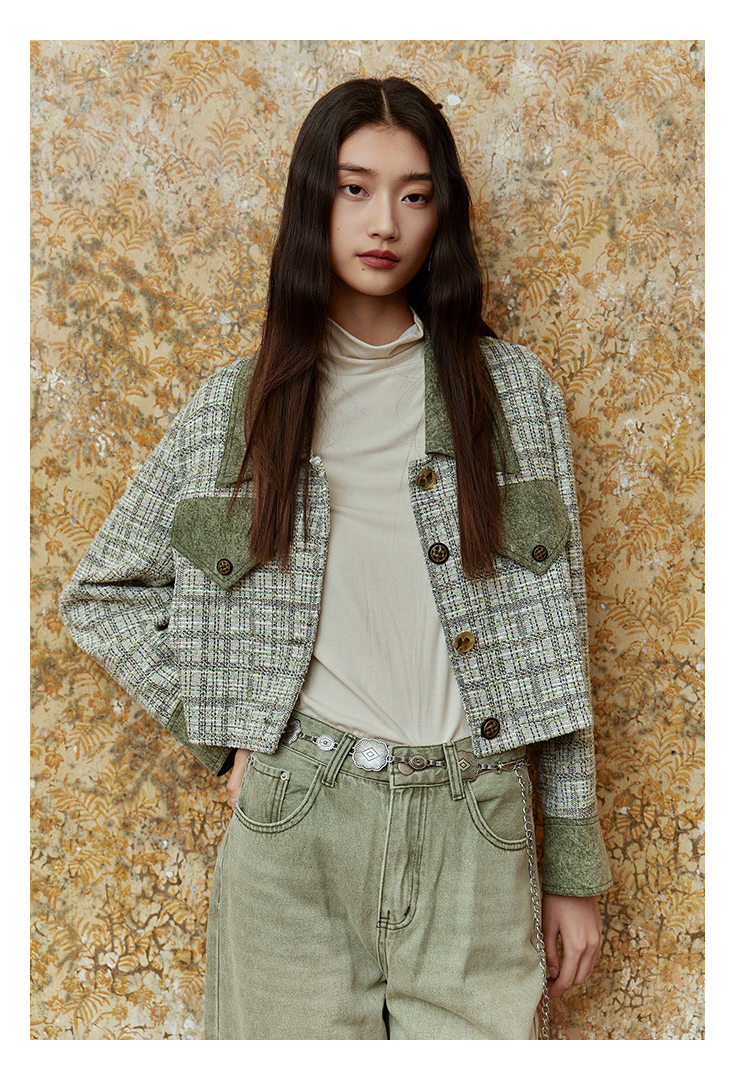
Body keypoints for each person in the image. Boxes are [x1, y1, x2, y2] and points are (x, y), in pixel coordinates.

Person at [60, 76, 612, 1041]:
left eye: (414, 194)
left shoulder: (512, 397)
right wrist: (226, 733)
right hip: (297, 824)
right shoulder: (236, 408)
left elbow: (554, 642)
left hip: (478, 830)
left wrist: (571, 865)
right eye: (355, 188)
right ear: (314, 201)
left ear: (443, 216)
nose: (383, 221)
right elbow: (101, 591)